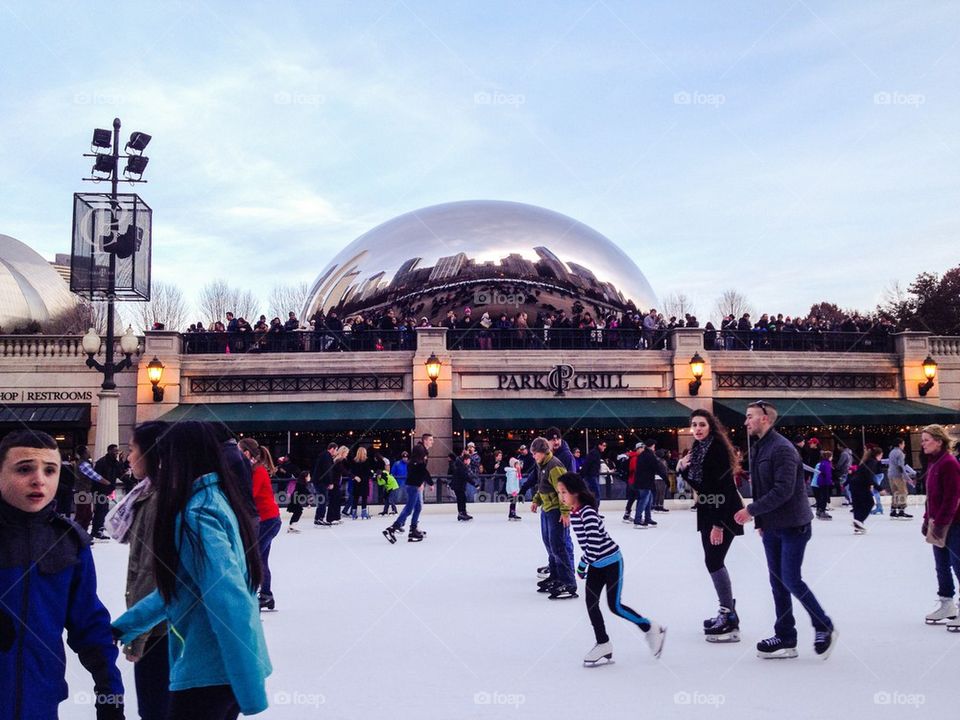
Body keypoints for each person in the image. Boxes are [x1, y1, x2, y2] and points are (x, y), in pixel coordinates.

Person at [111, 421, 272, 719]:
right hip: (214, 670)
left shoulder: (198, 513)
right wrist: (127, 624)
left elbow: (230, 599)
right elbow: (183, 587)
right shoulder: (213, 500)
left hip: (210, 672)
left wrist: (248, 685)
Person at [0, 430, 125, 719]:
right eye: (24, 468)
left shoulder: (68, 541)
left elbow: (90, 625)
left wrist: (110, 692)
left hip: (40, 702)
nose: (39, 479)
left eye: (50, 470)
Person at [734, 400, 838, 660]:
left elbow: (783, 490)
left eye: (750, 417)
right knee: (777, 582)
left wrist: (752, 511)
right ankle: (786, 637)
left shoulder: (782, 449)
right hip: (772, 526)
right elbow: (760, 485)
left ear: (765, 419)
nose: (746, 422)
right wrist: (761, 522)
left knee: (790, 579)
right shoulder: (760, 447)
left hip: (793, 525)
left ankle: (823, 624)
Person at [557, 472, 666, 665]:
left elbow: (595, 544)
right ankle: (603, 643)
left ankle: (651, 628)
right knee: (591, 603)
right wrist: (587, 563)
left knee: (614, 606)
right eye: (559, 492)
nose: (561, 496)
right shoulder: (575, 512)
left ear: (575, 492)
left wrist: (582, 564)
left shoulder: (587, 512)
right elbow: (591, 548)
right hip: (596, 563)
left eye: (564, 492)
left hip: (611, 562)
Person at [107, 421, 170, 720]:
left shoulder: (157, 499)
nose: (128, 457)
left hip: (159, 629)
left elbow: (149, 570)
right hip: (164, 624)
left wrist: (138, 635)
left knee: (155, 708)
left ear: (151, 454)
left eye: (133, 450)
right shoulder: (152, 493)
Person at [676, 409, 744, 643]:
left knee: (714, 561)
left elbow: (723, 486)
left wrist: (718, 524)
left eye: (702, 424)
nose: (697, 429)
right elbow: (700, 485)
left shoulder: (716, 449)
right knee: (712, 560)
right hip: (709, 508)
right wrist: (682, 469)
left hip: (723, 512)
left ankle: (728, 616)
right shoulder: (698, 449)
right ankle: (727, 610)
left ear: (710, 426)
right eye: (694, 425)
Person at [918, 425, 960, 630]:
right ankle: (947, 604)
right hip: (939, 522)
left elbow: (953, 497)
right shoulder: (934, 463)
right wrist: (927, 519)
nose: (922, 443)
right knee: (941, 565)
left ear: (939, 441)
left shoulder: (949, 463)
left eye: (926, 439)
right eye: (922, 439)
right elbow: (931, 497)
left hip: (954, 523)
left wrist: (942, 522)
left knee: (957, 564)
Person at [530, 436, 577, 600]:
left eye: (535, 453)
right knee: (550, 544)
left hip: (556, 511)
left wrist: (565, 512)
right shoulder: (542, 465)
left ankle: (569, 582)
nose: (533, 456)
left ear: (543, 452)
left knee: (559, 546)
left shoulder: (554, 465)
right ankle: (556, 577)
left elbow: (564, 490)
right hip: (547, 509)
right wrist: (536, 500)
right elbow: (543, 487)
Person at [238, 438, 281, 612]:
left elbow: (250, 494)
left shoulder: (257, 471)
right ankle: (266, 595)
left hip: (267, 521)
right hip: (267, 520)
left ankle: (254, 595)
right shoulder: (253, 470)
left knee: (253, 559)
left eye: (239, 451)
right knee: (260, 559)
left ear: (247, 453)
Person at [384, 433, 434, 543]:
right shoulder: (419, 449)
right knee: (409, 508)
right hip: (413, 484)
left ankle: (413, 529)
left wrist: (422, 481)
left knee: (418, 506)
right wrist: (427, 482)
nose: (432, 442)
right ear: (425, 440)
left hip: (414, 483)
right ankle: (393, 528)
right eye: (430, 440)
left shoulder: (422, 451)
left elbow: (418, 468)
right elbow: (418, 468)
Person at [92, 444, 124, 539]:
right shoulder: (101, 462)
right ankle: (96, 531)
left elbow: (121, 474)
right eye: (114, 451)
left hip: (108, 490)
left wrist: (130, 483)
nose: (116, 453)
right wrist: (105, 487)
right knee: (100, 511)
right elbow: (96, 478)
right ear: (109, 451)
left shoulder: (115, 463)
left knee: (104, 510)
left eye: (117, 451)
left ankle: (98, 530)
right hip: (99, 491)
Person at [633, 439, 666, 529]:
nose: (654, 448)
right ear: (651, 446)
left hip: (645, 482)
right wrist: (665, 478)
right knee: (643, 501)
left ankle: (647, 518)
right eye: (654, 446)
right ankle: (638, 520)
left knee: (648, 501)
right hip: (644, 482)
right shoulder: (648, 455)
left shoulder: (644, 455)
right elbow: (657, 468)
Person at [850, 447, 882, 534]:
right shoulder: (873, 462)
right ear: (878, 455)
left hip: (854, 484)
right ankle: (858, 521)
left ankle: (858, 526)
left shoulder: (866, 461)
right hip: (860, 485)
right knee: (870, 503)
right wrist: (879, 488)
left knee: (858, 505)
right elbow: (868, 476)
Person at [887, 438, 913, 520]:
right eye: (903, 443)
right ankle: (901, 510)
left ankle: (893, 510)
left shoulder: (891, 452)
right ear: (899, 444)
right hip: (898, 475)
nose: (904, 445)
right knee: (903, 492)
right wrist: (907, 477)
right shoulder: (900, 453)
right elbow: (900, 466)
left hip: (890, 474)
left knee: (895, 492)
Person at [313, 442, 338, 526]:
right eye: (336, 450)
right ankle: (319, 518)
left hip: (319, 481)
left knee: (322, 500)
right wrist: (330, 482)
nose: (336, 452)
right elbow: (328, 471)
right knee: (323, 500)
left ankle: (318, 518)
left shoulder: (324, 455)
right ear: (332, 449)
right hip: (321, 482)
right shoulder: (326, 456)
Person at [325, 446, 351, 525]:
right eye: (346, 453)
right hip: (334, 484)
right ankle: (330, 518)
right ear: (343, 452)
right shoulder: (337, 461)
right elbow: (342, 471)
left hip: (337, 483)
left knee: (337, 500)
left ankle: (336, 517)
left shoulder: (339, 461)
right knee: (333, 501)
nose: (347, 455)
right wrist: (353, 476)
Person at [450, 451, 475, 521]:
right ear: (466, 460)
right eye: (469, 460)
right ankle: (461, 513)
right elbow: (465, 476)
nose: (470, 461)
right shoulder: (462, 467)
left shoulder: (462, 466)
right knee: (461, 498)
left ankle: (463, 512)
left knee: (462, 498)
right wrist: (474, 483)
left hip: (459, 485)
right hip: (458, 485)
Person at [350, 446, 373, 520]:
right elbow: (369, 472)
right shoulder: (367, 461)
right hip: (364, 481)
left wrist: (355, 477)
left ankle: (354, 513)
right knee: (364, 497)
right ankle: (363, 513)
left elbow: (352, 471)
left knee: (355, 498)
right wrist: (371, 474)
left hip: (357, 481)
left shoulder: (354, 461)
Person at [813, 451, 834, 521]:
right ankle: (822, 511)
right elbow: (827, 474)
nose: (832, 458)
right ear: (829, 457)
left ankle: (819, 511)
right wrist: (830, 482)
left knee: (822, 496)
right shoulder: (827, 464)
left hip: (820, 482)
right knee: (825, 497)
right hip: (825, 482)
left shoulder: (822, 463)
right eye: (831, 456)